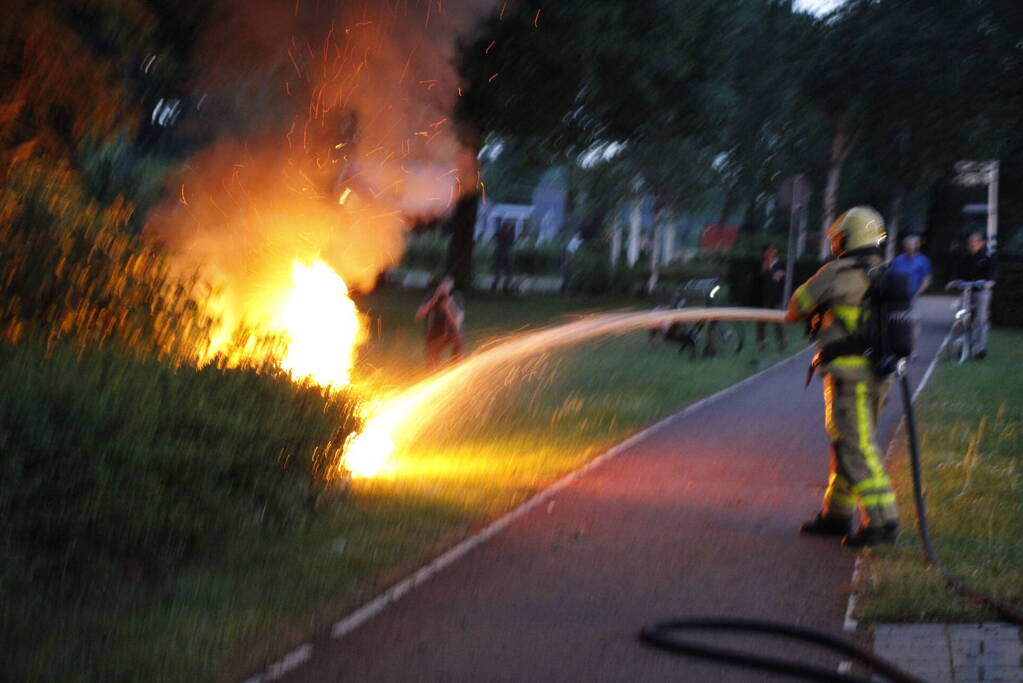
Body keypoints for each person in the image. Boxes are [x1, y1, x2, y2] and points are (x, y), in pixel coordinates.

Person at [784, 206, 899, 548]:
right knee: (848, 444)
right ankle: (836, 515)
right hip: (879, 376)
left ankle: (883, 521)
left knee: (857, 448)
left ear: (846, 239)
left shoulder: (838, 272)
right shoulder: (883, 274)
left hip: (850, 379)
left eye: (838, 238)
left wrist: (815, 309)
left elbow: (797, 306)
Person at [948, 231, 996, 358]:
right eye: (970, 242)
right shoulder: (963, 257)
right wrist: (952, 281)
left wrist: (989, 283)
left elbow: (992, 274)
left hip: (981, 291)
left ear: (981, 243)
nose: (973, 244)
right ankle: (960, 345)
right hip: (966, 290)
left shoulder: (986, 258)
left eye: (975, 242)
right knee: (960, 315)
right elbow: (956, 272)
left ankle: (979, 347)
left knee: (980, 318)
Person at [890, 234, 932, 357]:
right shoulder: (897, 260)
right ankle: (897, 347)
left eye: (911, 244)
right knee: (897, 321)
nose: (909, 246)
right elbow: (891, 276)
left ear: (917, 245)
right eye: (907, 244)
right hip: (898, 296)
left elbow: (926, 279)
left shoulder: (923, 260)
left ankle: (913, 349)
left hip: (914, 295)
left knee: (913, 322)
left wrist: (918, 293)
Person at [415, 275, 464, 370]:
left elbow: (457, 324)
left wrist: (447, 308)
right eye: (443, 284)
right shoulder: (431, 295)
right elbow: (418, 316)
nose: (445, 288)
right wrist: (434, 299)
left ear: (452, 286)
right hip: (434, 332)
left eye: (448, 285)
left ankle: (455, 366)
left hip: (452, 332)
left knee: (459, 337)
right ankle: (436, 367)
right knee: (432, 366)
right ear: (439, 285)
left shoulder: (456, 296)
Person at [755, 244, 787, 351]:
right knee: (761, 321)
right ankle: (762, 342)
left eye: (772, 250)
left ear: (775, 252)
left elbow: (778, 277)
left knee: (778, 322)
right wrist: (771, 274)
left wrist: (769, 274)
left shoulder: (781, 264)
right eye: (768, 251)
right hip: (765, 298)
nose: (769, 253)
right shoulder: (762, 264)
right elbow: (761, 277)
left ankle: (782, 341)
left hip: (777, 297)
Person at [492, 221, 516, 293]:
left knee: (505, 272)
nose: (509, 227)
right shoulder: (503, 234)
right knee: (501, 272)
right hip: (504, 254)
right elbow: (511, 242)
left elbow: (512, 242)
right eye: (509, 226)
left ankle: (502, 286)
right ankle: (499, 286)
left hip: (505, 254)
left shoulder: (509, 234)